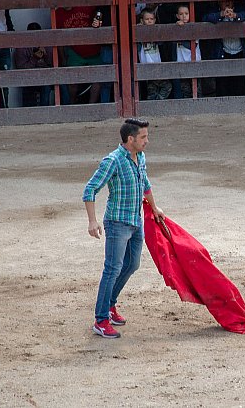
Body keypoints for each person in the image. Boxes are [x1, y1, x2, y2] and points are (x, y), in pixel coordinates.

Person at [83, 118, 165, 339]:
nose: (147, 141)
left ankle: (109, 305)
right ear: (131, 139)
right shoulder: (113, 161)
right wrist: (92, 221)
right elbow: (90, 189)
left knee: (131, 265)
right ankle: (100, 320)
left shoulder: (140, 157)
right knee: (112, 268)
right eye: (143, 137)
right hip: (117, 223)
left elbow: (144, 183)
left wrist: (154, 208)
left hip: (135, 221)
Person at [55, 0, 103, 104]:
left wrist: (100, 22)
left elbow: (101, 11)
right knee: (72, 80)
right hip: (75, 50)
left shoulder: (85, 5)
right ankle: (73, 103)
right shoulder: (57, 14)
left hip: (93, 48)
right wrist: (62, 58)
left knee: (98, 78)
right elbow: (57, 37)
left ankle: (91, 105)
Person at [203, 0, 245, 97]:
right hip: (222, 53)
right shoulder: (215, 11)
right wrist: (221, 15)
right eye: (224, 1)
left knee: (240, 85)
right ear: (219, 2)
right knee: (222, 85)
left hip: (240, 52)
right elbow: (205, 17)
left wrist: (235, 15)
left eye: (230, 0)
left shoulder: (240, 9)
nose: (227, 3)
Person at [13, 22, 53, 107]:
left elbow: (52, 65)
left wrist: (46, 55)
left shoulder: (46, 45)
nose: (35, 39)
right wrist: (34, 58)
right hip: (29, 78)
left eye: (38, 35)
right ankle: (43, 113)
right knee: (45, 85)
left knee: (61, 84)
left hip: (46, 76)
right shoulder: (21, 48)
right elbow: (21, 69)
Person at [137, 8, 172, 100]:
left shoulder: (156, 32)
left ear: (155, 21)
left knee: (158, 87)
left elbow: (161, 42)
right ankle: (155, 104)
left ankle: (156, 103)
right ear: (142, 20)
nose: (149, 21)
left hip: (156, 65)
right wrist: (140, 29)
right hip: (146, 65)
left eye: (151, 19)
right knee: (159, 87)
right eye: (147, 19)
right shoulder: (138, 32)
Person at [172, 4, 202, 99]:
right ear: (177, 16)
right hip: (181, 62)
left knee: (196, 89)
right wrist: (177, 28)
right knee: (185, 90)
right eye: (181, 14)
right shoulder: (174, 28)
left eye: (186, 13)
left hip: (195, 62)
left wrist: (180, 34)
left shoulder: (195, 27)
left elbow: (191, 45)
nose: (184, 16)